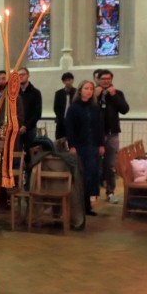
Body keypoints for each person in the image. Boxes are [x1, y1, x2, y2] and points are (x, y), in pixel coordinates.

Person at [65, 81, 104, 217]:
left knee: (92, 175)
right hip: (80, 146)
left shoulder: (95, 108)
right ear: (80, 90)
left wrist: (101, 144)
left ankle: (88, 205)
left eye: (91, 89)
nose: (89, 91)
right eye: (86, 88)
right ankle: (80, 206)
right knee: (82, 176)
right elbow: (70, 128)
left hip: (93, 145)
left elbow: (100, 127)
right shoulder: (74, 108)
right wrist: (72, 146)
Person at [94, 69, 129, 203]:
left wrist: (114, 95)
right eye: (103, 79)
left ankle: (110, 192)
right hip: (96, 134)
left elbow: (125, 109)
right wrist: (96, 97)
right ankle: (94, 192)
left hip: (112, 133)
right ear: (98, 80)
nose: (106, 81)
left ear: (112, 80)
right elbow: (88, 109)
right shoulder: (92, 92)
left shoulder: (117, 93)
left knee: (110, 165)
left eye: (108, 79)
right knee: (95, 164)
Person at [18, 67, 42, 151]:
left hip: (30, 128)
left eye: (23, 74)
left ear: (28, 76)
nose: (21, 76)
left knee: (29, 153)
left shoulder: (35, 92)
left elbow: (37, 113)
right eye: (19, 75)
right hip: (17, 128)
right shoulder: (14, 93)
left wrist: (26, 126)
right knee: (17, 153)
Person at [53, 72, 76, 140]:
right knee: (60, 140)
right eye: (66, 80)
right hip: (61, 121)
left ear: (72, 80)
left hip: (74, 121)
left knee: (73, 140)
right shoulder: (58, 93)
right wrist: (61, 118)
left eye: (69, 80)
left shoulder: (77, 92)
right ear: (63, 82)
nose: (68, 82)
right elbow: (56, 107)